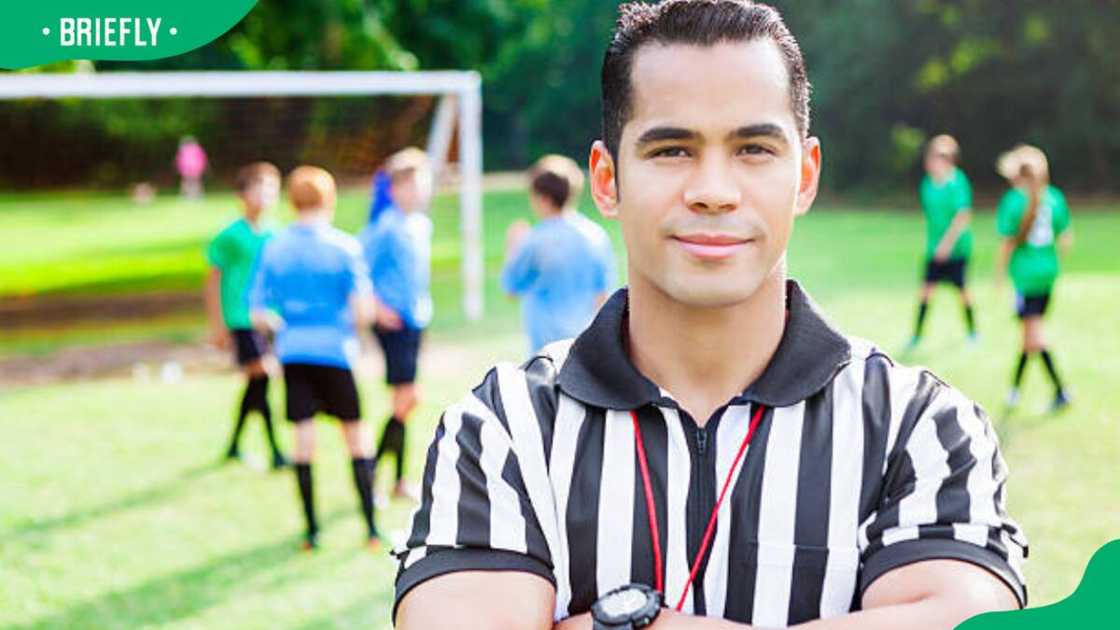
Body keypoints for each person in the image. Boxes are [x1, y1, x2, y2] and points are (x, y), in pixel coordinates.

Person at [393, 2, 1027, 629]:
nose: (714, 190)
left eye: (753, 148)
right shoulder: (504, 427)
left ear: (804, 176)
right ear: (607, 180)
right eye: (672, 150)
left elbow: (969, 620)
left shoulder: (916, 427)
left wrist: (631, 625)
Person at [250, 165, 380, 550]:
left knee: (303, 442)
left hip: (294, 352)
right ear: (329, 199)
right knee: (356, 438)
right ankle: (371, 529)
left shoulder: (274, 246)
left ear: (292, 201)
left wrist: (286, 328)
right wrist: (350, 332)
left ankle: (311, 532)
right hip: (336, 352)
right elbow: (363, 311)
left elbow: (258, 312)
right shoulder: (345, 247)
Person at [359, 147, 434, 503]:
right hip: (393, 323)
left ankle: (397, 480)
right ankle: (372, 469)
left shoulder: (420, 225)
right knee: (408, 398)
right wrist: (376, 306)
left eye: (421, 184)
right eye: (409, 185)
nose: (417, 191)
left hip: (416, 318)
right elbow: (359, 270)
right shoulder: (384, 227)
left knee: (404, 401)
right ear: (395, 189)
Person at [205, 162, 288, 469]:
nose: (265, 196)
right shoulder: (230, 235)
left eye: (271, 189)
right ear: (242, 194)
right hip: (241, 317)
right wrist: (218, 324)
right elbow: (213, 280)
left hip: (271, 317)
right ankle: (275, 450)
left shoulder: (277, 233)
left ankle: (234, 446)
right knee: (263, 374)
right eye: (259, 188)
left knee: (258, 384)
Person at [502, 154, 618, 354]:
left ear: (543, 198)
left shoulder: (534, 240)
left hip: (546, 350)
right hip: (585, 344)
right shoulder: (596, 235)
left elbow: (511, 288)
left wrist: (513, 247)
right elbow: (603, 295)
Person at [995, 144, 1073, 412]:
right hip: (1047, 275)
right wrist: (1052, 264)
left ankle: (1060, 390)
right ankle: (1015, 391)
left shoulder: (1014, 200)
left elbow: (1006, 243)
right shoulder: (1055, 197)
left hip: (1026, 279)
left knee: (1034, 338)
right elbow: (1066, 238)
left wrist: (999, 275)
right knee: (1030, 336)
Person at [908, 134, 977, 349]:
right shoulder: (927, 185)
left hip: (956, 249)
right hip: (934, 250)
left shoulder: (957, 182)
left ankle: (973, 332)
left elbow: (962, 216)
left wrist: (946, 245)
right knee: (926, 291)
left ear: (947, 160)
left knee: (963, 291)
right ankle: (917, 335)